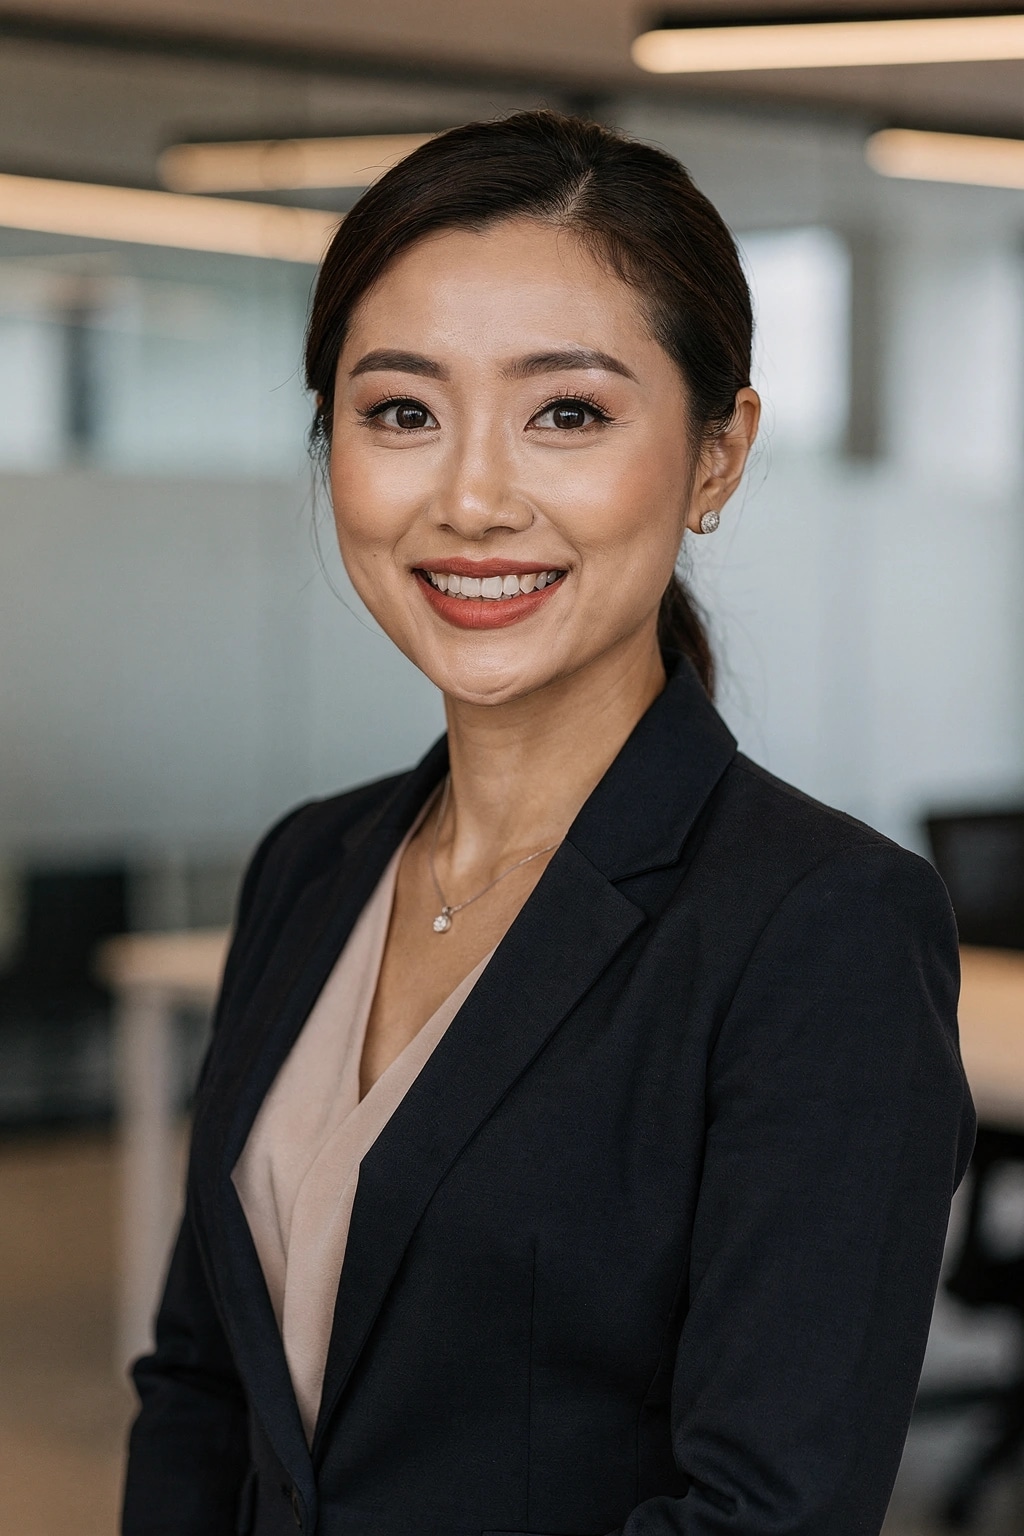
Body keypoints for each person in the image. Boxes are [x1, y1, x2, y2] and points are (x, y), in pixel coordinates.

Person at [121, 111, 975, 1536]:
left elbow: (766, 1513)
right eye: (402, 412)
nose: (470, 499)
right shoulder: (313, 865)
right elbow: (202, 1385)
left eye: (566, 413)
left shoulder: (820, 928)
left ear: (717, 456)